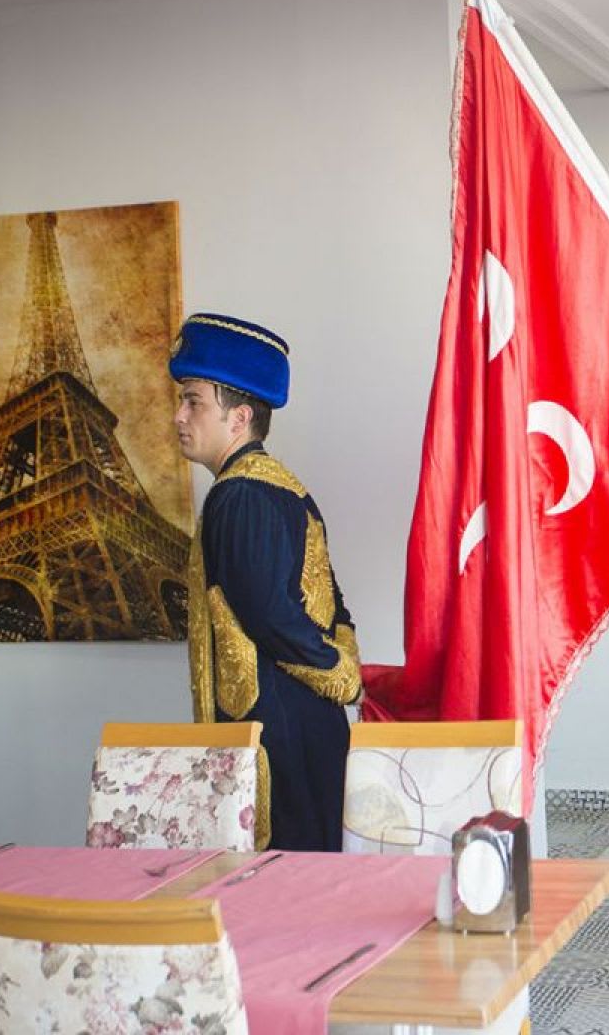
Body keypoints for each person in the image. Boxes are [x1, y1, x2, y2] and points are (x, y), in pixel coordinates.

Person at [171, 312, 361, 852]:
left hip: (276, 734)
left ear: (240, 417)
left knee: (279, 881)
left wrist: (341, 676)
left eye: (193, 402)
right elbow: (332, 606)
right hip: (299, 725)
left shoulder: (240, 495)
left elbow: (271, 616)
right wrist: (341, 660)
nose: (179, 415)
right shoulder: (275, 486)